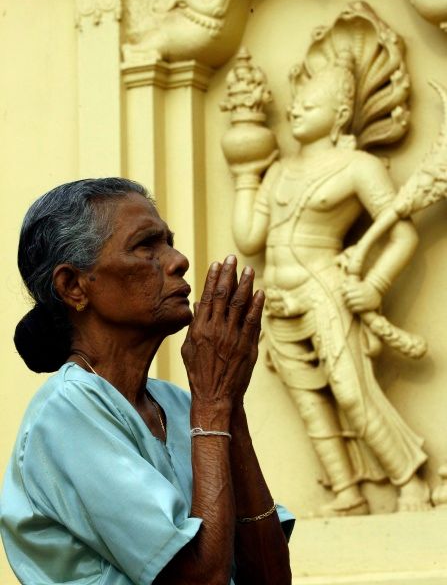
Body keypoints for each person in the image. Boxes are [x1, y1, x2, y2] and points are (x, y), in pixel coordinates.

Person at [1, 178, 294, 585]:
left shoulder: (178, 404)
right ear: (73, 286)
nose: (178, 260)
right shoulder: (67, 411)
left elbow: (271, 578)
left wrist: (229, 402)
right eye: (146, 246)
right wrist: (213, 403)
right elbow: (200, 579)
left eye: (169, 242)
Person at [225, 36, 431, 516]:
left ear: (339, 113)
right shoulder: (279, 170)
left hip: (325, 292)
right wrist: (245, 174)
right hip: (277, 300)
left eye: (309, 104)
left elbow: (402, 236)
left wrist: (373, 285)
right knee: (309, 403)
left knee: (352, 394)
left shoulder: (358, 167)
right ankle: (347, 493)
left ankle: (410, 481)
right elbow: (250, 237)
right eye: (295, 102)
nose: (295, 110)